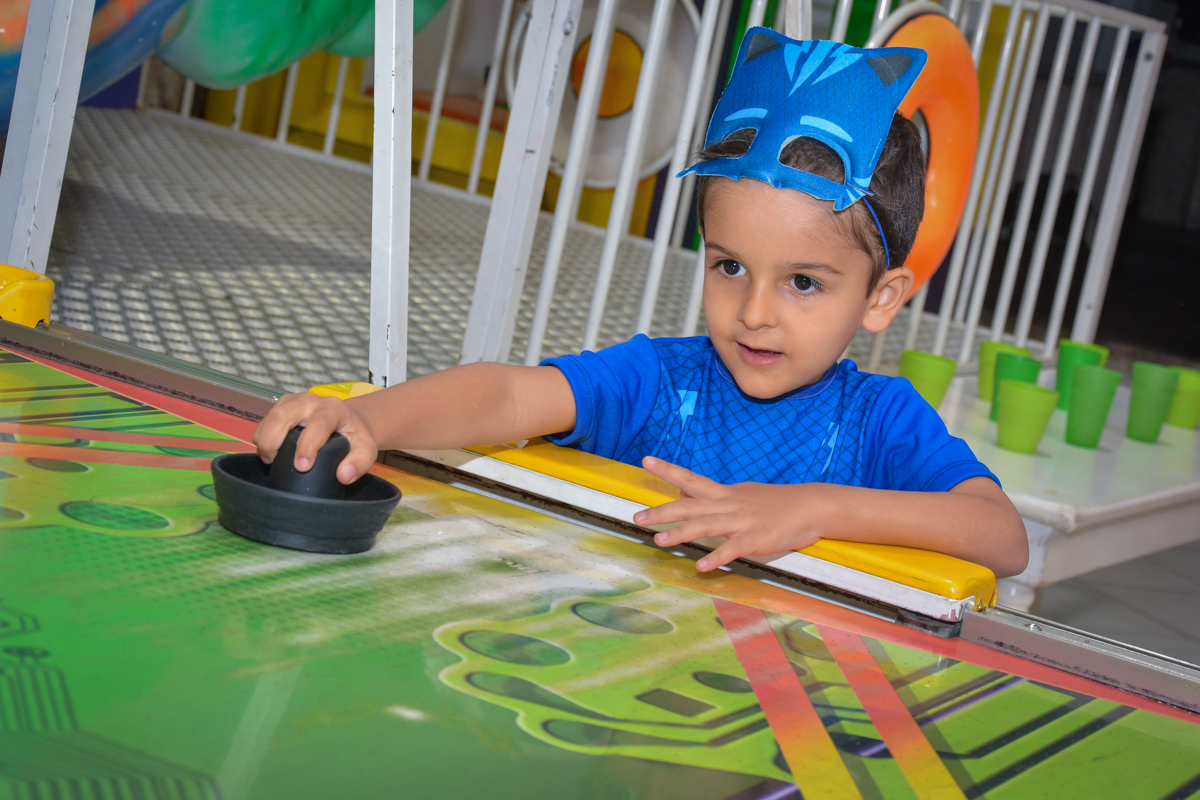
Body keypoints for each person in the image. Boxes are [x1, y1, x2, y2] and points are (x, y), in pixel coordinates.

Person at [253, 30, 1028, 578]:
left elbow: (1001, 535)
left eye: (803, 282)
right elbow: (512, 392)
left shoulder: (879, 420)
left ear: (881, 298)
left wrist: (812, 509)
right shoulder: (662, 380)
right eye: (730, 267)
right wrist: (373, 419)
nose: (755, 312)